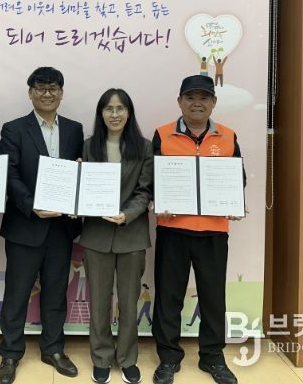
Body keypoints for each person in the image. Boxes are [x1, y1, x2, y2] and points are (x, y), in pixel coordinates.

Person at [151, 74, 245, 384]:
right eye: (190, 97)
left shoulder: (228, 136)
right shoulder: (162, 134)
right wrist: (158, 199)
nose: (197, 103)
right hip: (173, 229)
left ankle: (212, 358)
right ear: (180, 101)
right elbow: (152, 179)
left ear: (213, 103)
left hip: (214, 232)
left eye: (204, 98)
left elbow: (238, 178)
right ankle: (168, 358)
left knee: (213, 298)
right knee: (169, 297)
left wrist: (235, 202)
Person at [0, 67, 84, 384]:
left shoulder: (74, 130)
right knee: (17, 293)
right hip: (25, 225)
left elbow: (78, 172)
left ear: (62, 93)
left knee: (56, 292)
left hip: (60, 229)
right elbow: (10, 174)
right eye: (41, 88)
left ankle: (53, 349)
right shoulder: (14, 129)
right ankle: (10, 353)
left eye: (53, 88)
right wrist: (33, 205)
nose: (47, 94)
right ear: (30, 93)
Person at [79, 88, 153, 384]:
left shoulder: (144, 147)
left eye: (120, 108)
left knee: (129, 302)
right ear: (101, 114)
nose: (114, 114)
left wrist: (127, 214)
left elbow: (144, 190)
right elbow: (83, 187)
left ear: (129, 113)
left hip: (131, 234)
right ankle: (101, 357)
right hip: (96, 235)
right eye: (108, 109)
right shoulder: (89, 147)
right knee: (99, 302)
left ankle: (127, 358)